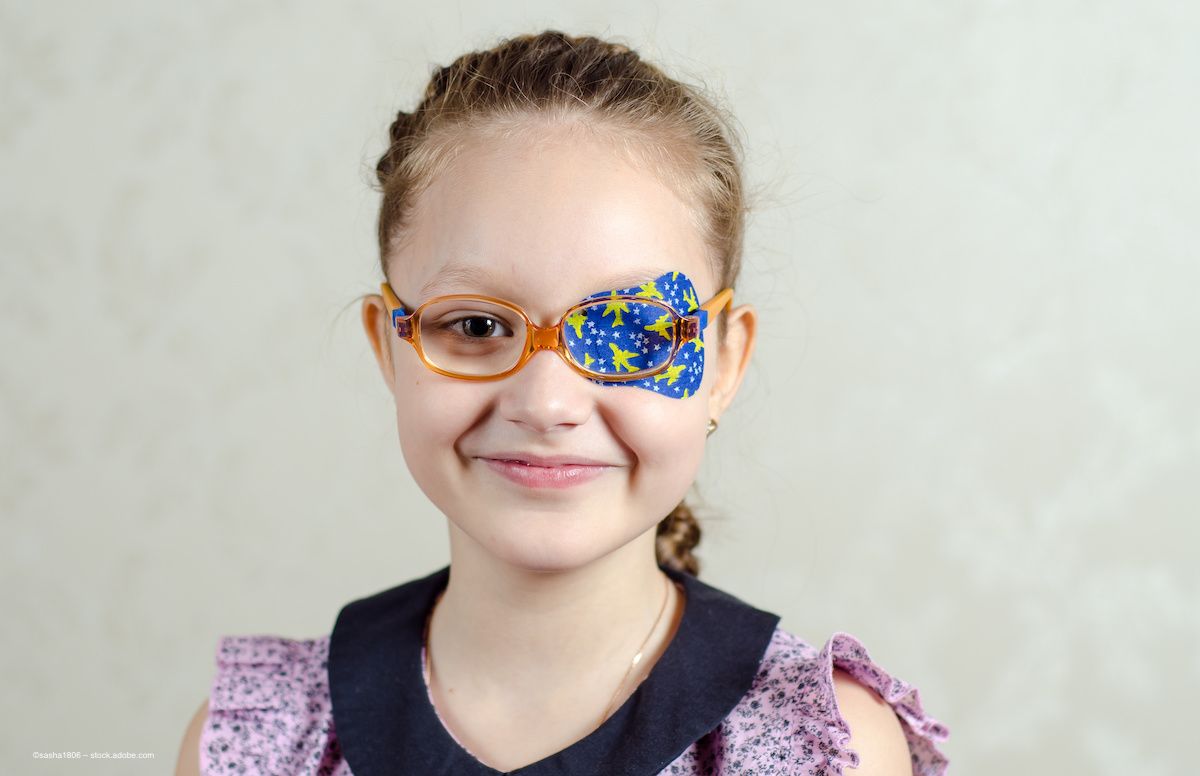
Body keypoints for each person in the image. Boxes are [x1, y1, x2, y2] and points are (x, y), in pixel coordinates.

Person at [175, 30, 949, 775]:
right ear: (390, 346)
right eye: (476, 325)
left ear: (722, 360)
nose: (546, 403)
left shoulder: (821, 748)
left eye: (630, 329)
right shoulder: (261, 742)